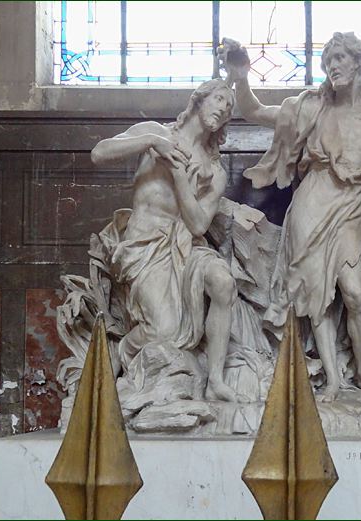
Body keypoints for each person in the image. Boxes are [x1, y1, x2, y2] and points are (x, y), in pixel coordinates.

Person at [220, 33, 361, 401]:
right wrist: (241, 77)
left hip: (353, 205)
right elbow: (255, 112)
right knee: (315, 293)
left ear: (357, 62)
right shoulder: (308, 108)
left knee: (354, 294)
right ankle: (335, 380)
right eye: (328, 60)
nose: (333, 65)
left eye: (339, 57)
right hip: (313, 200)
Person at [90, 79, 242, 403]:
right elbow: (99, 153)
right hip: (145, 242)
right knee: (163, 332)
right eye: (218, 99)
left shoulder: (215, 171)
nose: (223, 108)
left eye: (229, 107)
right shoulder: (155, 133)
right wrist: (150, 141)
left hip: (187, 243)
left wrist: (181, 181)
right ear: (199, 100)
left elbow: (199, 224)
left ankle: (215, 379)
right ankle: (123, 349)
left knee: (223, 282)